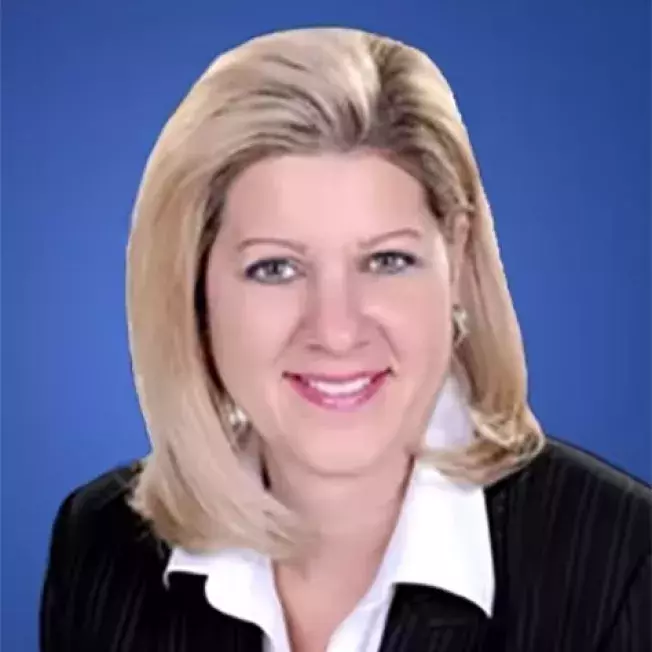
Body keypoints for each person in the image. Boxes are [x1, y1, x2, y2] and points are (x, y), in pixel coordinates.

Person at [40, 26, 651, 652]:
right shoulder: (101, 546)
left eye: (386, 261)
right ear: (194, 292)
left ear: (458, 259)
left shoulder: (625, 563)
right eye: (275, 268)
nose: (336, 330)